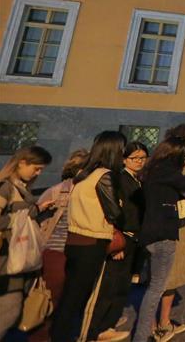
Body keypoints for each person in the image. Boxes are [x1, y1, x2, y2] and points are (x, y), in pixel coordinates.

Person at [51, 132, 124, 342]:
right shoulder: (105, 175)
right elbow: (114, 212)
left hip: (74, 239)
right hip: (93, 242)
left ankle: (59, 335)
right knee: (80, 298)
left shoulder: (83, 173)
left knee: (69, 297)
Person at [131, 132, 185, 342]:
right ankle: (142, 336)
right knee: (156, 289)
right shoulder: (166, 171)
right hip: (163, 235)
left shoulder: (151, 170)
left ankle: (147, 332)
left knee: (153, 286)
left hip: (149, 233)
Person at [87, 141, 147, 341]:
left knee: (123, 284)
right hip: (122, 237)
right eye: (134, 158)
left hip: (135, 238)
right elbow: (113, 212)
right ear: (124, 159)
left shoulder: (138, 179)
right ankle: (97, 328)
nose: (139, 161)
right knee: (110, 285)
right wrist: (117, 240)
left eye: (142, 158)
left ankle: (110, 322)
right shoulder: (119, 179)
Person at [30, 148, 87, 342]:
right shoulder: (59, 190)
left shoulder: (60, 189)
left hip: (66, 253)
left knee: (57, 301)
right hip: (56, 251)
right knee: (50, 300)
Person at [0, 146, 53, 340]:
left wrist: (35, 210)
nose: (38, 173)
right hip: (6, 258)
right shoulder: (6, 186)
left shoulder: (17, 187)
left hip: (12, 257)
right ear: (22, 162)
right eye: (36, 168)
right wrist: (17, 219)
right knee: (10, 309)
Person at [155, 123, 185, 341]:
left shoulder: (164, 160)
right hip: (175, 223)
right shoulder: (173, 163)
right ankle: (160, 324)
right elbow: (182, 186)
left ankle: (162, 321)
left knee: (168, 276)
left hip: (179, 222)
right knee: (168, 276)